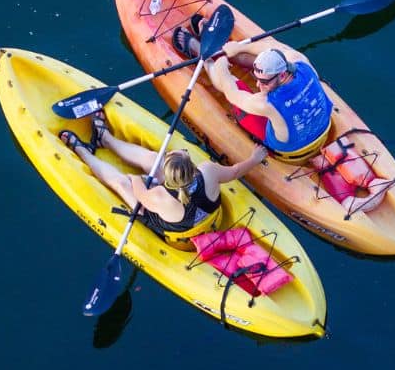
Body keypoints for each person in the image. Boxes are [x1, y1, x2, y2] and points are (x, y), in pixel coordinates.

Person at [59, 111, 268, 251]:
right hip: (210, 218)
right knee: (152, 159)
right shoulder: (208, 171)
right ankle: (105, 138)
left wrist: (135, 178)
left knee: (122, 183)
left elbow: (139, 191)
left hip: (181, 238)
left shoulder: (159, 195)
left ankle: (83, 151)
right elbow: (235, 171)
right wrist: (254, 159)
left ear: (167, 176)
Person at [181, 27, 333, 163]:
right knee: (257, 62)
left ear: (282, 75)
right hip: (322, 131)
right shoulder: (301, 61)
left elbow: (232, 93)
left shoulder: (266, 104)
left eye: (264, 82)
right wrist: (240, 47)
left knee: (232, 81)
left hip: (290, 150)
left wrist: (221, 67)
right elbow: (275, 48)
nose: (258, 85)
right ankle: (225, 50)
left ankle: (204, 57)